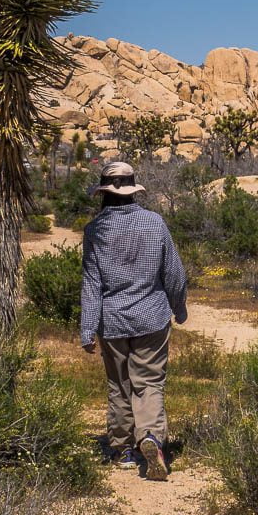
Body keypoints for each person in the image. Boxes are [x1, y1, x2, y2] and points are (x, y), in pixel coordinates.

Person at [80, 161, 187, 481]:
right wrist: (179, 308)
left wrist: (87, 327)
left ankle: (124, 449)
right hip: (152, 316)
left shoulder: (95, 230)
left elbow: (91, 282)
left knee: (119, 383)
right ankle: (151, 436)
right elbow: (174, 273)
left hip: (112, 319)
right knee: (149, 382)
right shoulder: (155, 223)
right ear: (131, 191)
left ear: (104, 194)